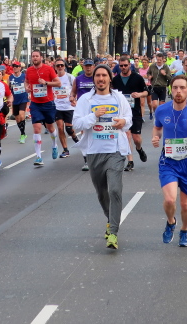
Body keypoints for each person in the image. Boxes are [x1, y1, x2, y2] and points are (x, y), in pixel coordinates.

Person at [72, 65, 132, 250]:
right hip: (94, 152)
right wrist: (93, 116)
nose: (101, 78)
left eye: (104, 75)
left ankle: (113, 232)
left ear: (109, 78)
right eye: (98, 75)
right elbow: (76, 124)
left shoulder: (118, 98)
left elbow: (128, 119)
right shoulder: (85, 99)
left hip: (115, 151)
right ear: (94, 79)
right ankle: (110, 219)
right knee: (102, 193)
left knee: (114, 190)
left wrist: (123, 122)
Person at [152, 75, 187, 247]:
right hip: (168, 160)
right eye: (175, 87)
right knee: (170, 200)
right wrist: (156, 137)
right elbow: (157, 128)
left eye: (182, 88)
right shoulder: (161, 110)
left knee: (185, 204)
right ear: (171, 89)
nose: (178, 91)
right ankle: (171, 222)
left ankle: (185, 230)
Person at [111, 55, 148, 170]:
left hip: (135, 111)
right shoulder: (115, 80)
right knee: (127, 135)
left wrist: (139, 94)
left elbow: (146, 92)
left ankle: (139, 149)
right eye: (121, 66)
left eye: (125, 65)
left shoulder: (137, 78)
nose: (123, 67)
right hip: (121, 113)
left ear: (130, 65)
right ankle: (130, 161)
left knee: (136, 138)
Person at [25, 50, 61, 166]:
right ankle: (38, 157)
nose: (35, 58)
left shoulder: (48, 69)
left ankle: (54, 145)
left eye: (37, 56)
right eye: (33, 56)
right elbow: (26, 82)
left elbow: (58, 83)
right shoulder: (29, 70)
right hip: (35, 103)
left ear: (41, 57)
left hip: (48, 103)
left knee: (50, 127)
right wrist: (26, 88)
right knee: (36, 128)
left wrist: (46, 83)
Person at [71, 59, 96, 170]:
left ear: (93, 66)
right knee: (84, 134)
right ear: (83, 67)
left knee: (96, 132)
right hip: (83, 109)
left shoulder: (97, 78)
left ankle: (96, 155)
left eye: (90, 66)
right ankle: (86, 159)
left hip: (96, 108)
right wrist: (71, 97)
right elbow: (73, 91)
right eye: (86, 66)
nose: (88, 67)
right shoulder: (78, 79)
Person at [52, 60, 78, 158]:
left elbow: (76, 89)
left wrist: (74, 99)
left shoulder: (70, 77)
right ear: (55, 67)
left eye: (61, 65)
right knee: (60, 128)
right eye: (58, 65)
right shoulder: (53, 78)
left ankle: (76, 139)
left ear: (64, 66)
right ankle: (65, 150)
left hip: (69, 107)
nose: (60, 67)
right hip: (57, 107)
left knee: (69, 129)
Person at [8, 62, 28, 143]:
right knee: (17, 118)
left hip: (23, 98)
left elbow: (28, 85)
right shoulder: (10, 77)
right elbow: (8, 88)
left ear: (20, 67)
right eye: (13, 66)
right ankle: (22, 132)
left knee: (21, 114)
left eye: (16, 66)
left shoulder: (24, 76)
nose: (15, 67)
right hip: (15, 100)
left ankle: (22, 134)